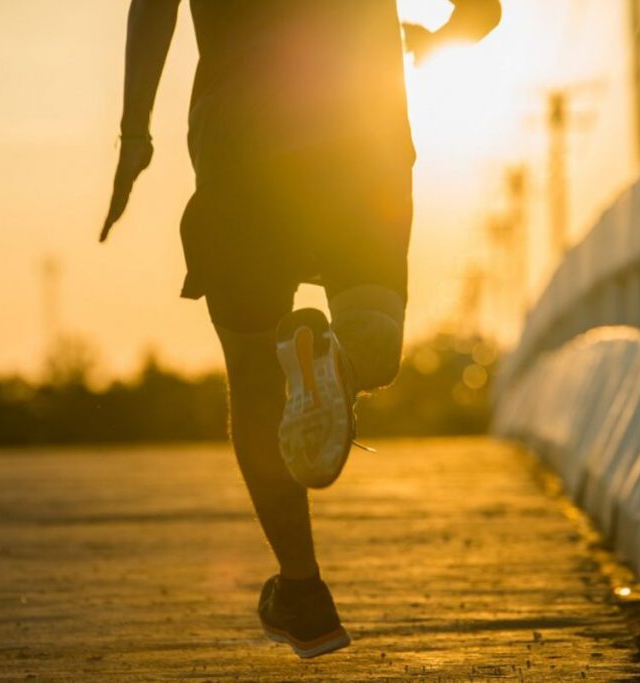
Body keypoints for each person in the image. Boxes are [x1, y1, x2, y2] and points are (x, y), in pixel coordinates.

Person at [102, 0, 500, 659]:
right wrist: (438, 39)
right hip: (360, 143)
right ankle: (338, 359)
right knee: (374, 340)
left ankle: (303, 592)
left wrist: (134, 134)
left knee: (256, 376)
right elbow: (483, 11)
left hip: (240, 148)